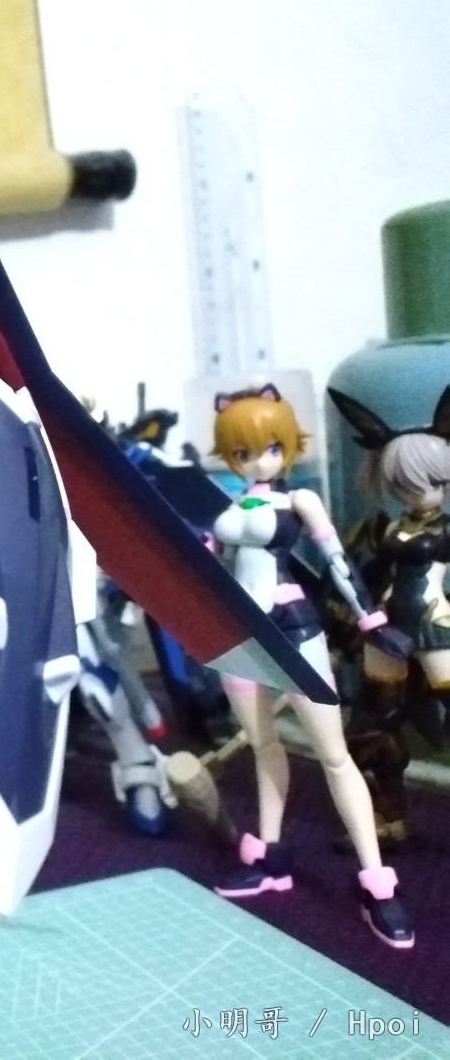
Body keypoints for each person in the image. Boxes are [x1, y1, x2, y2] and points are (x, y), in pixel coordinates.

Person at [208, 385, 412, 948]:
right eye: (244, 452)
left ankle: (377, 884)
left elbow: (337, 562)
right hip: (237, 635)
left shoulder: (301, 501)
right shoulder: (229, 507)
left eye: (271, 448)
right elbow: (205, 564)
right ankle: (270, 859)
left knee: (334, 756)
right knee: (262, 746)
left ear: (287, 446)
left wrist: (370, 620)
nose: (259, 461)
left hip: (293, 629)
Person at [330, 385, 450, 847]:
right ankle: (388, 814)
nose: (415, 492)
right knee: (373, 724)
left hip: (436, 627)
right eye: (403, 484)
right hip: (386, 629)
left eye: (428, 481)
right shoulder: (391, 526)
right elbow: (370, 574)